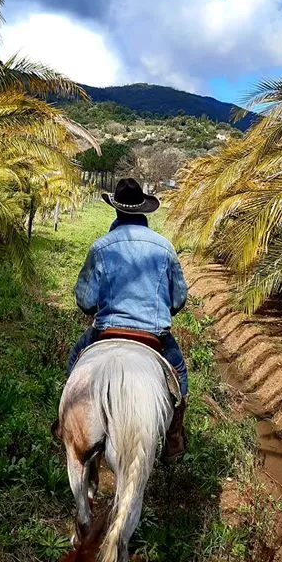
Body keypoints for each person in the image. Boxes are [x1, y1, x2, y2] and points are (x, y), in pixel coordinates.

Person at [67, 177, 189, 461]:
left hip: (106, 332)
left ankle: (68, 423)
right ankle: (174, 439)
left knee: (75, 359)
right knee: (179, 374)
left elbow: (85, 301)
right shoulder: (165, 247)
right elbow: (178, 299)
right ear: (143, 210)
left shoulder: (101, 247)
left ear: (117, 210)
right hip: (153, 337)